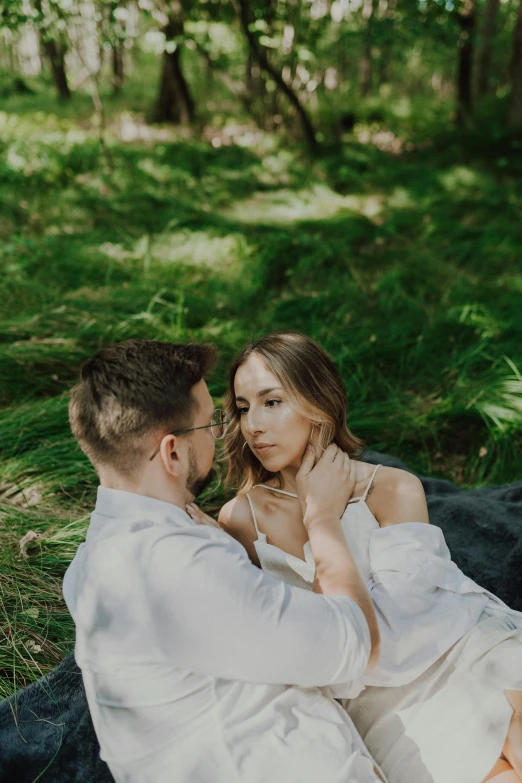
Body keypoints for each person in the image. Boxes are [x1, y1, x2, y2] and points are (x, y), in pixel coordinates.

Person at [188, 330, 522, 783]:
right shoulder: (242, 520)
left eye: (271, 402)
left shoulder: (391, 488)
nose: (253, 426)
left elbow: (405, 625)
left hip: (463, 648)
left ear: (318, 403)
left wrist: (322, 516)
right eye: (244, 409)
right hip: (385, 708)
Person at [62, 338, 386, 783]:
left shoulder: (89, 565)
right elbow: (357, 642)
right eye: (210, 423)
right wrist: (322, 516)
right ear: (173, 452)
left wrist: (232, 557)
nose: (228, 431)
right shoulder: (181, 564)